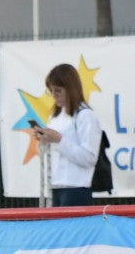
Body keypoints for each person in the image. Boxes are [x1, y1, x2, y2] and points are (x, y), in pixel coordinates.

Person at [30, 62, 103, 208]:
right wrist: (44, 139)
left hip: (76, 187)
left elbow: (89, 158)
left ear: (70, 89)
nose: (54, 96)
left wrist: (59, 139)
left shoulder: (85, 116)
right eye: (51, 91)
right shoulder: (56, 116)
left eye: (58, 91)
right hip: (55, 186)